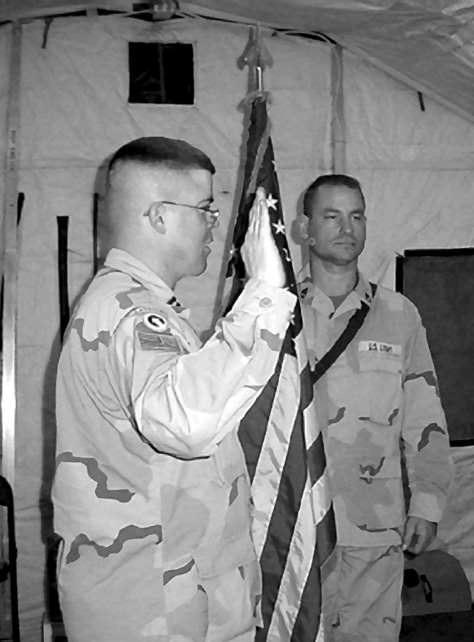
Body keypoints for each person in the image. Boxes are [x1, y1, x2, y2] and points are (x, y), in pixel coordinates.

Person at [52, 136, 295, 642]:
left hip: (172, 588)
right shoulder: (132, 314)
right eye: (205, 208)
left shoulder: (144, 308)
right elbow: (185, 423)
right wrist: (264, 297)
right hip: (153, 601)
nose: (215, 224)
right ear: (159, 216)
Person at [296, 174, 454, 641]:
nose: (347, 228)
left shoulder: (399, 314)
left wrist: (427, 502)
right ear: (305, 228)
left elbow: (424, 416)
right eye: (331, 216)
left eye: (357, 216)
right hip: (296, 526)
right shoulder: (271, 313)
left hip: (374, 523)